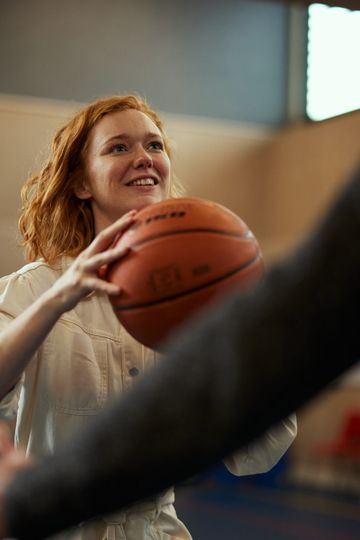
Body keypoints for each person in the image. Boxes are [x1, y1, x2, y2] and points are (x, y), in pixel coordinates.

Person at [0, 95, 296, 540]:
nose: (143, 158)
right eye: (118, 147)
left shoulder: (208, 290)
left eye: (154, 146)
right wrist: (58, 300)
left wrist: (241, 342)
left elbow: (260, 453)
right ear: (81, 182)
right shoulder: (33, 288)